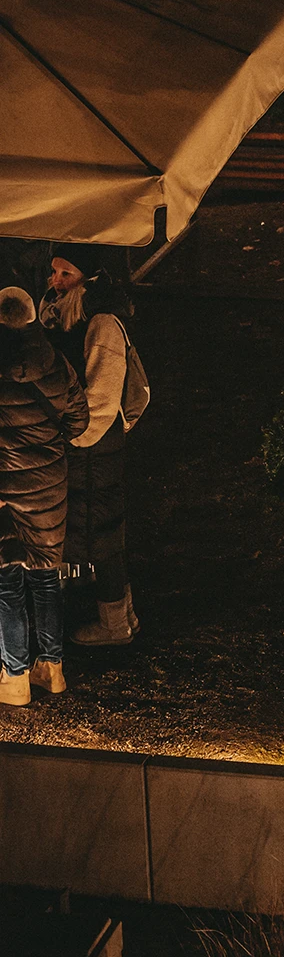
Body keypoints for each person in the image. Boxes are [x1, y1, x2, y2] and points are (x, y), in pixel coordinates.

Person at [39, 244, 145, 646]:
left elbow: (102, 399)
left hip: (91, 447)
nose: (56, 281)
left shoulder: (101, 323)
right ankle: (123, 617)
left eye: (66, 273)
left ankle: (114, 626)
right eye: (54, 273)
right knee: (94, 532)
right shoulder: (66, 312)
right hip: (78, 445)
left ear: (88, 277)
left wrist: (73, 439)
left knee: (100, 535)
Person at [0, 286, 88, 705]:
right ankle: (52, 669)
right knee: (46, 575)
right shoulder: (57, 363)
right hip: (49, 486)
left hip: (3, 492)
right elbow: (78, 421)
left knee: (6, 582)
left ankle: (13, 677)